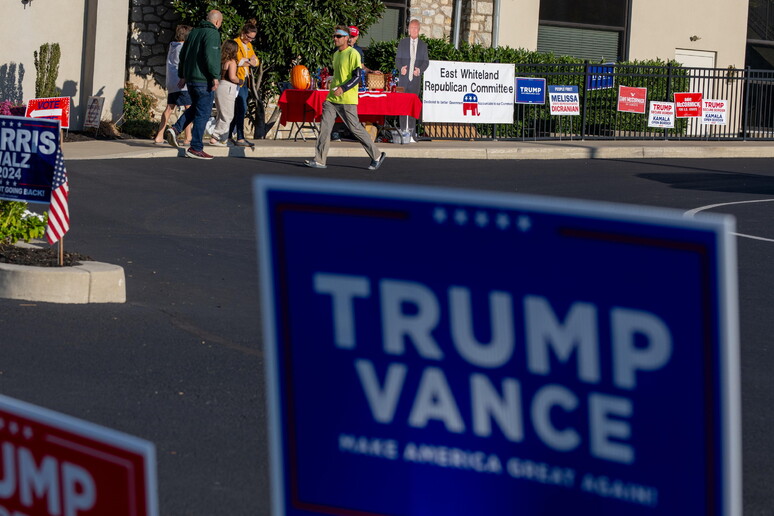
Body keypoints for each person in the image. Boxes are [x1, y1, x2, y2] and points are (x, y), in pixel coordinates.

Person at [305, 26, 386, 170]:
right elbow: (337, 75)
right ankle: (319, 160)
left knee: (355, 129)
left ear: (346, 38)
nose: (335, 39)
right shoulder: (336, 54)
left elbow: (357, 77)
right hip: (332, 98)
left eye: (338, 36)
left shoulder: (353, 54)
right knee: (324, 128)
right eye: (334, 36)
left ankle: (377, 155)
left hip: (347, 99)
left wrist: (343, 88)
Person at [165, 10, 222, 160]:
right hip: (204, 80)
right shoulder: (212, 34)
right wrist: (215, 77)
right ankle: (196, 147)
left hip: (190, 79)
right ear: (217, 22)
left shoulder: (193, 33)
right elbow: (212, 57)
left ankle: (176, 129)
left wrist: (183, 75)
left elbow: (184, 55)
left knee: (196, 107)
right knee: (203, 113)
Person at [153, 25, 193, 145]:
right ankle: (188, 137)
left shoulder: (172, 46)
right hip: (182, 82)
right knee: (189, 109)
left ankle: (159, 135)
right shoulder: (184, 47)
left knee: (169, 108)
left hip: (171, 82)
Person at [395, 18, 429, 142]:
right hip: (403, 80)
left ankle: (412, 134)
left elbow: (426, 62)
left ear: (419, 30)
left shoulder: (423, 45)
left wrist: (419, 70)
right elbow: (397, 60)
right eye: (411, 28)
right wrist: (401, 68)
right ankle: (403, 132)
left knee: (413, 107)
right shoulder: (402, 43)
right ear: (408, 30)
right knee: (403, 107)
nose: (413, 30)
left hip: (415, 80)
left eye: (415, 28)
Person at [229, 20, 260, 147]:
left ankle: (230, 134)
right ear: (243, 33)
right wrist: (248, 61)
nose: (250, 40)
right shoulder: (235, 43)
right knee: (240, 108)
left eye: (252, 38)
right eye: (249, 37)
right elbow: (236, 60)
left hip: (244, 80)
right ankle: (240, 137)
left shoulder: (249, 46)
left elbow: (255, 61)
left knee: (241, 109)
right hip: (237, 79)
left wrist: (249, 61)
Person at [209, 40, 242, 146]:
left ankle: (223, 138)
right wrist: (241, 81)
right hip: (228, 87)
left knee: (221, 113)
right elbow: (232, 77)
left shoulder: (220, 60)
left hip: (219, 85)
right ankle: (215, 136)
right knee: (228, 115)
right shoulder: (232, 62)